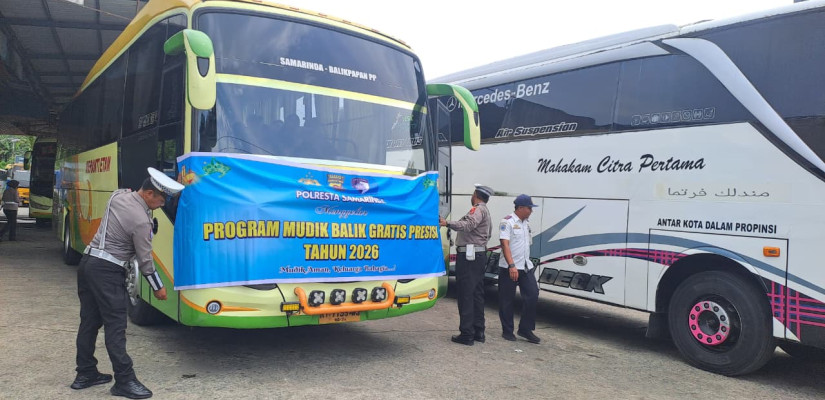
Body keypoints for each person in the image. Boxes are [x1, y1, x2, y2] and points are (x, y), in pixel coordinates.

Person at [71, 168, 183, 399]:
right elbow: (145, 261)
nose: (161, 205)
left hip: (89, 263)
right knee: (116, 327)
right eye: (161, 200)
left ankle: (85, 373)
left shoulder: (118, 195)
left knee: (89, 322)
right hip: (108, 271)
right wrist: (158, 287)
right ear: (149, 194)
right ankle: (124, 380)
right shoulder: (141, 221)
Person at [440, 184, 494, 346]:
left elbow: (467, 225)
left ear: (476, 194)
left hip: (469, 257)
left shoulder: (476, 210)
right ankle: (478, 331)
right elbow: (488, 233)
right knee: (476, 294)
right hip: (478, 255)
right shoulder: (486, 211)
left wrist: (447, 223)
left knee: (466, 294)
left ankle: (466, 334)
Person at [498, 194, 541, 344]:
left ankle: (525, 329)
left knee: (533, 294)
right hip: (509, 267)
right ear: (521, 208)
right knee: (507, 300)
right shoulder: (507, 221)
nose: (531, 211)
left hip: (525, 266)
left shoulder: (526, 223)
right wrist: (511, 265)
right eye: (529, 208)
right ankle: (507, 331)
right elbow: (504, 244)